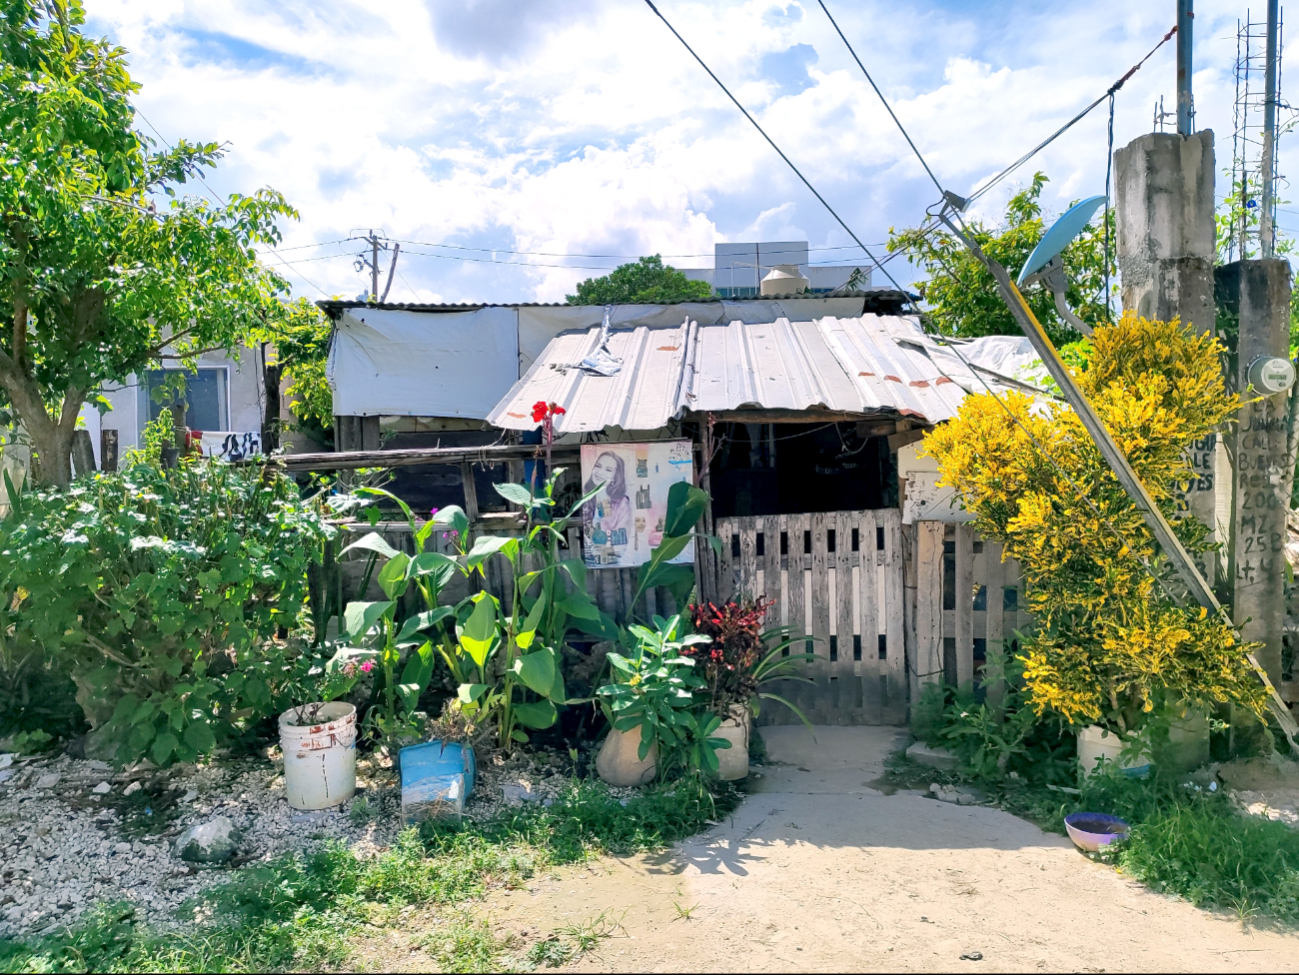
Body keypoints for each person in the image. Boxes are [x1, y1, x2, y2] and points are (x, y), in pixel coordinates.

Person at [584, 450, 631, 549]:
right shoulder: (585, 497)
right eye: (598, 466)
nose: (600, 472)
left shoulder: (622, 503)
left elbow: (621, 544)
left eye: (608, 470)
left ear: (615, 477)